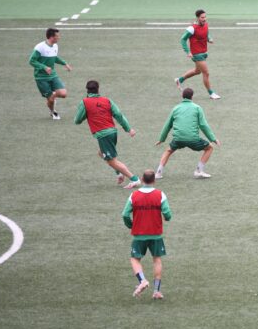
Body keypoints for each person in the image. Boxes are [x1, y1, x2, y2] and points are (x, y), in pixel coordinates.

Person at [74, 80, 140, 189]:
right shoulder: (107, 100)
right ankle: (119, 173)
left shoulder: (84, 102)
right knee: (101, 153)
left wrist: (88, 113)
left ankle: (134, 179)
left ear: (87, 90)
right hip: (113, 132)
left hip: (103, 135)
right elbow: (118, 115)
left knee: (112, 161)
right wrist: (128, 129)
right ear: (98, 89)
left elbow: (77, 120)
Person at [122, 169, 172, 299]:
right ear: (154, 181)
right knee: (157, 260)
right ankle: (156, 291)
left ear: (143, 180)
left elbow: (125, 214)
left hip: (139, 234)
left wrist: (130, 225)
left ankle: (142, 280)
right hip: (156, 234)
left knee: (135, 259)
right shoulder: (160, 195)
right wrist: (166, 218)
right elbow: (167, 214)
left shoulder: (134, 196)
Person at [155, 88, 220, 179]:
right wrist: (213, 139)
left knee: (168, 151)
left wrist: (161, 139)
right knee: (209, 148)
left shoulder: (176, 108)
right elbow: (203, 125)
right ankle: (198, 170)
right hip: (193, 139)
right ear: (192, 97)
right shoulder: (197, 108)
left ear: (182, 96)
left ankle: (158, 173)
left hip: (178, 139)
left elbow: (167, 125)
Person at [175, 9, 220, 100]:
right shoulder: (192, 28)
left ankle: (179, 80)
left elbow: (206, 34)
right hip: (196, 54)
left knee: (197, 71)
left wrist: (209, 39)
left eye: (205, 17)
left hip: (204, 52)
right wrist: (188, 51)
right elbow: (183, 40)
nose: (204, 19)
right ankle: (211, 93)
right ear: (197, 18)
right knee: (206, 73)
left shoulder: (206, 25)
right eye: (202, 17)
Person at [28, 27, 72, 120]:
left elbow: (54, 57)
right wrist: (44, 67)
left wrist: (65, 64)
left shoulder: (55, 46)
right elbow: (31, 61)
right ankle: (53, 112)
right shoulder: (40, 47)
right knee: (51, 100)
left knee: (63, 94)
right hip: (41, 78)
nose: (59, 38)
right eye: (57, 36)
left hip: (52, 75)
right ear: (51, 37)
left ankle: (52, 96)